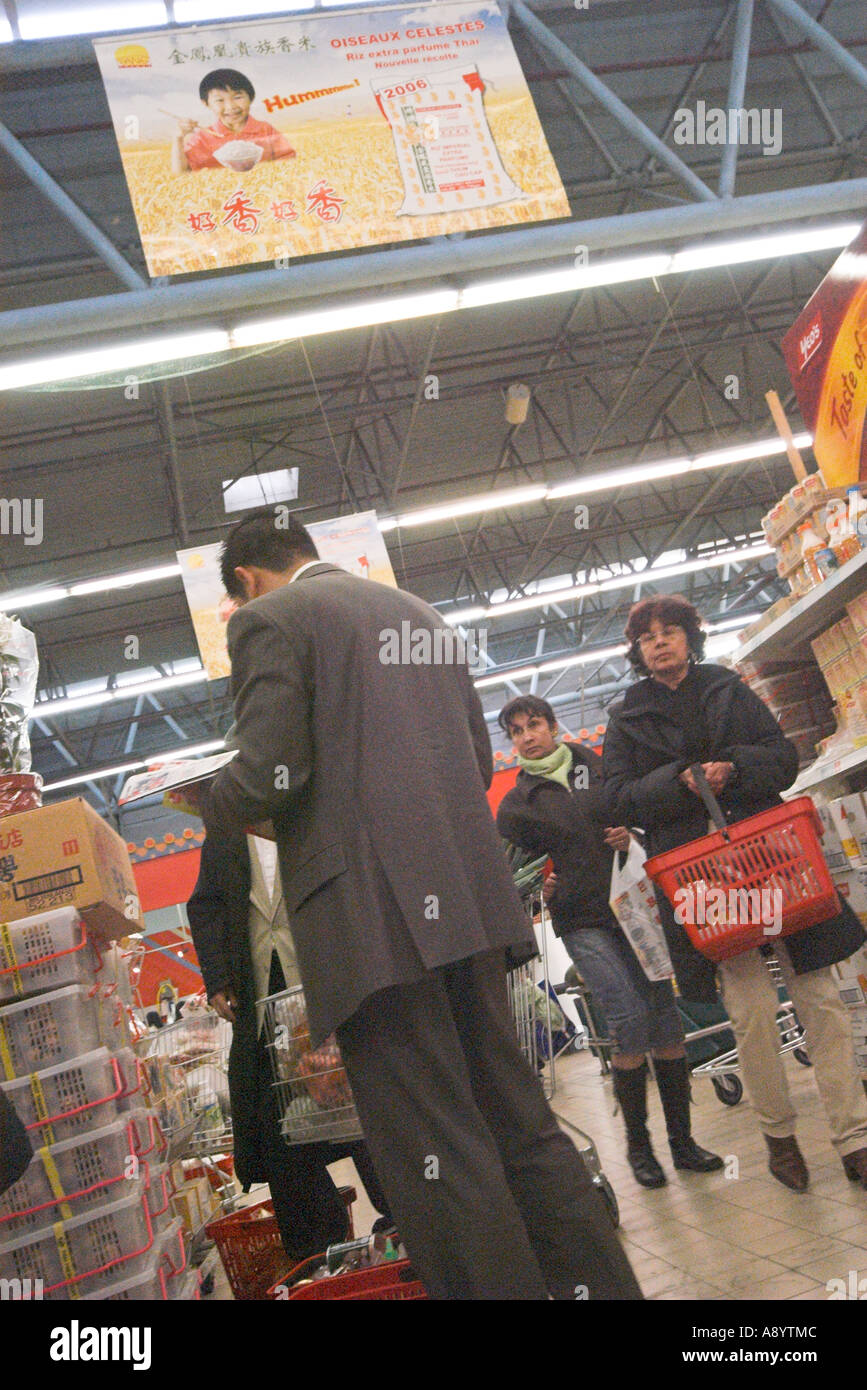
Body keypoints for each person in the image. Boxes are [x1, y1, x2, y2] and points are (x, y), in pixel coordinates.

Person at [196, 504, 642, 1300]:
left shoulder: (269, 618)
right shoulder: (417, 612)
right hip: (467, 906)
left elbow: (269, 771)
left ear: (243, 579)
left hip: (371, 927)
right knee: (521, 1126)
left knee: (436, 1152)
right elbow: (475, 763)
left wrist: (204, 801)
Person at [603, 593, 867, 1193]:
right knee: (749, 1011)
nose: (661, 642)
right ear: (638, 652)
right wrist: (679, 782)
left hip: (774, 857)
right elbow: (616, 797)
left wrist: (732, 770)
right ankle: (779, 1136)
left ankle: (855, 1137)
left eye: (671, 632)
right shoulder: (626, 718)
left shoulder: (728, 687)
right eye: (648, 637)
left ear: (690, 638)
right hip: (702, 879)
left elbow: (783, 756)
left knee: (818, 998)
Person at [496, 695, 723, 1189]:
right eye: (516, 731)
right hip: (580, 919)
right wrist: (538, 889)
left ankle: (682, 1144)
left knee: (664, 1018)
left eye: (534, 724)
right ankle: (639, 1150)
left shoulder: (602, 770)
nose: (527, 736)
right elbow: (510, 876)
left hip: (634, 907)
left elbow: (648, 817)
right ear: (511, 743)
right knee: (627, 1016)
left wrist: (632, 837)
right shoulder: (517, 806)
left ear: (554, 726)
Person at [187, 827, 392, 1263]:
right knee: (281, 1127)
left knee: (359, 1106)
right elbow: (205, 910)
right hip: (260, 997)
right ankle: (316, 1251)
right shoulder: (222, 841)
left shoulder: (310, 816)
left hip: (327, 986)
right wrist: (218, 978)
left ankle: (404, 1218)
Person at [172, 68, 296, 173]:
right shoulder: (201, 138)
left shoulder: (266, 130)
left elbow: (289, 163)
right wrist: (178, 137)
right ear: (206, 103)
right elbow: (182, 175)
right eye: (220, 100)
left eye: (237, 97)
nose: (230, 107)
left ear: (251, 97)